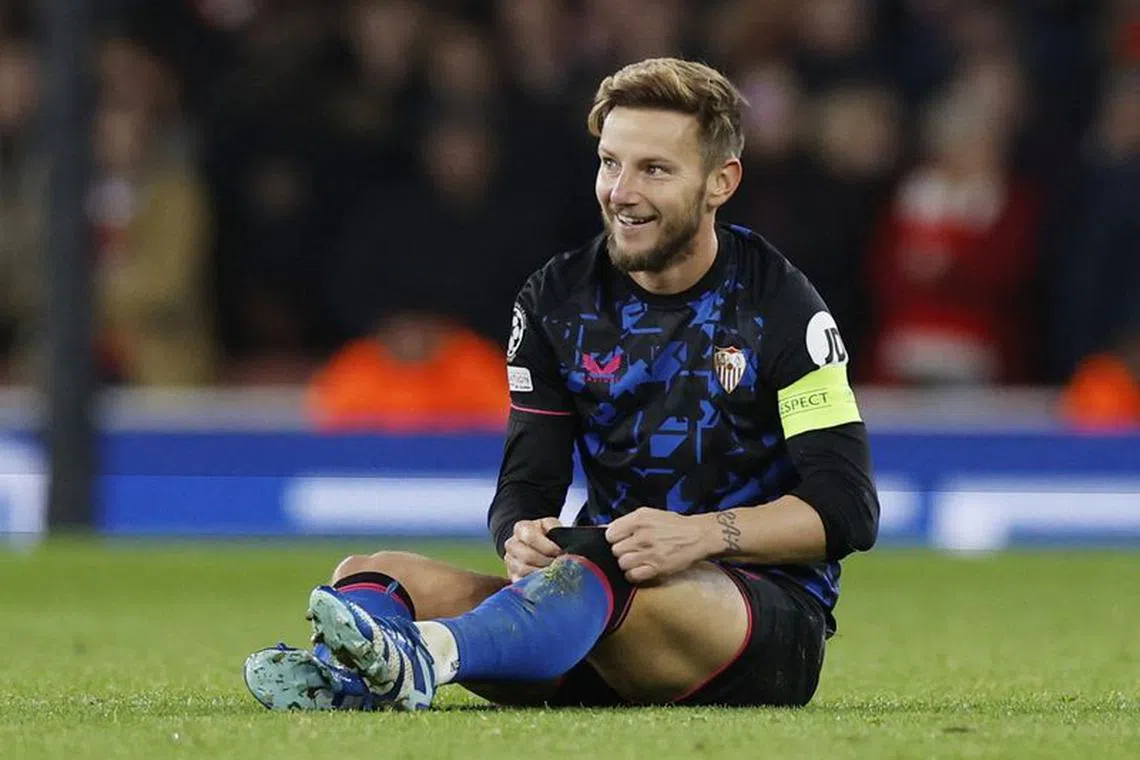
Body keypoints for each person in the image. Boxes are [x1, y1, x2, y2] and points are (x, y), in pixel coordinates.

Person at [243, 57, 880, 711]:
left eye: (654, 169)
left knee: (601, 561)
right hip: (592, 605)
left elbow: (846, 508)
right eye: (611, 163)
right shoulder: (556, 301)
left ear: (720, 181)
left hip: (754, 627)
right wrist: (521, 535)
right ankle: (350, 676)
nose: (621, 191)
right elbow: (527, 484)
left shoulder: (781, 304)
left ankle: (425, 656)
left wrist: (702, 535)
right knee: (372, 574)